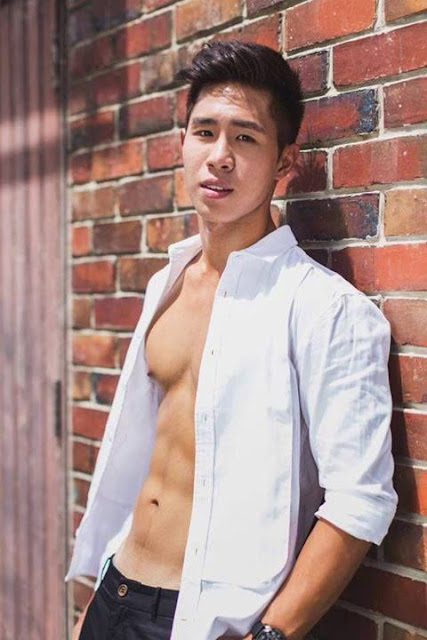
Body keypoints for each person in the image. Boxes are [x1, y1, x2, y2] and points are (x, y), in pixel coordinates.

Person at [67, 40, 397, 640]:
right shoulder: (166, 284)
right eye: (205, 132)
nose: (219, 156)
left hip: (202, 621)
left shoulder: (323, 308)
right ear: (183, 144)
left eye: (244, 138)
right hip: (115, 596)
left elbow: (361, 501)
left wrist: (270, 635)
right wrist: (96, 596)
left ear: (284, 163)